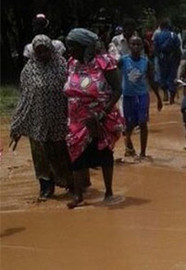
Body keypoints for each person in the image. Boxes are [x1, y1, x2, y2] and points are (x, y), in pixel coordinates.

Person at [63, 28, 124, 209]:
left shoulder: (104, 63)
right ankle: (79, 195)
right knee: (76, 155)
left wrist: (103, 113)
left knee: (104, 153)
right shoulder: (71, 63)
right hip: (76, 120)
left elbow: (117, 89)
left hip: (100, 118)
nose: (70, 50)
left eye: (73, 46)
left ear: (84, 46)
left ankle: (109, 192)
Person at [10, 35, 73, 200]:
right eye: (39, 51)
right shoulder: (28, 71)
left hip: (60, 120)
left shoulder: (62, 67)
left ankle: (71, 184)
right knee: (41, 157)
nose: (43, 54)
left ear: (51, 49)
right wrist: (17, 126)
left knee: (63, 153)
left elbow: (73, 93)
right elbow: (24, 99)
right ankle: (46, 188)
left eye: (45, 50)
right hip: (37, 122)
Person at [118, 36, 163, 159]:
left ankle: (143, 152)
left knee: (143, 123)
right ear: (129, 46)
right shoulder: (123, 60)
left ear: (142, 47)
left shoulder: (146, 62)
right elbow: (114, 75)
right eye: (133, 44)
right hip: (128, 96)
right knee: (129, 124)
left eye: (138, 44)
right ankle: (129, 146)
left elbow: (152, 80)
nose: (136, 47)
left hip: (142, 95)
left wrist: (158, 98)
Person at [154, 18, 182, 104]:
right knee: (172, 76)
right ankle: (172, 98)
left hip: (161, 58)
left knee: (162, 76)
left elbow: (155, 48)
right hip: (172, 58)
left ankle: (165, 94)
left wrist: (158, 57)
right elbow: (178, 47)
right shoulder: (174, 35)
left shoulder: (157, 35)